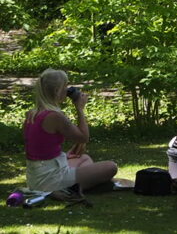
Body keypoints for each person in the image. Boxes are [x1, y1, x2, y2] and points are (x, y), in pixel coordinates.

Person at [23, 69, 117, 199]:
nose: (67, 90)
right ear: (57, 91)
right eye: (65, 86)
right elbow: (84, 137)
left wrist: (62, 156)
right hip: (50, 179)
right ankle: (68, 188)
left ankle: (78, 186)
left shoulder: (32, 113)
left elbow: (39, 148)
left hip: (37, 176)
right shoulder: (54, 116)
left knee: (84, 158)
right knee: (111, 167)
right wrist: (80, 109)